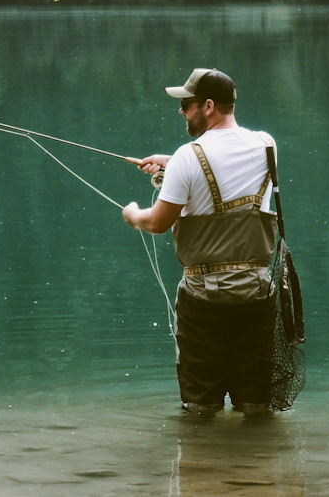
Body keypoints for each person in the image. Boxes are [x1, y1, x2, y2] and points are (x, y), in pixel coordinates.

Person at [121, 68, 277, 416]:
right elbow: (229, 166)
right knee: (255, 403)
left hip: (204, 298)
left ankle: (202, 460)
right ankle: (257, 465)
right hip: (256, 291)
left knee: (201, 406)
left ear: (208, 106)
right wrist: (172, 164)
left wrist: (132, 214)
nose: (181, 111)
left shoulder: (189, 157)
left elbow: (158, 222)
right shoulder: (267, 145)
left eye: (187, 104)